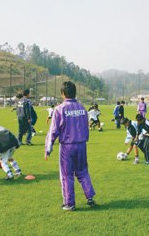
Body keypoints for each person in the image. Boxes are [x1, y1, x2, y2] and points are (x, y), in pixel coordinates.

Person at [45, 81, 96, 211]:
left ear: (62, 94)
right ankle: (90, 196)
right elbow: (86, 126)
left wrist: (48, 148)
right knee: (83, 171)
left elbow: (53, 130)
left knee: (67, 175)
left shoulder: (59, 109)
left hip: (67, 146)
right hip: (81, 145)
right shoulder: (82, 108)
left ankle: (69, 203)